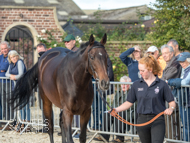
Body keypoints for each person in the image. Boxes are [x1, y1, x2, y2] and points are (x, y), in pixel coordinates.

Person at [111, 55, 176, 143]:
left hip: (157, 120)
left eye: (142, 70)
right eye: (139, 70)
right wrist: (116, 109)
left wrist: (171, 108)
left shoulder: (162, 84)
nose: (140, 73)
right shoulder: (136, 84)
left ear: (150, 69)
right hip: (141, 120)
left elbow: (172, 102)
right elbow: (129, 102)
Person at [94, 76, 133, 142]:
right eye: (122, 84)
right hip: (117, 111)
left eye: (125, 84)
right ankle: (104, 136)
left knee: (120, 113)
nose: (123, 86)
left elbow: (132, 106)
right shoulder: (119, 92)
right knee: (107, 114)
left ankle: (119, 138)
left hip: (128, 112)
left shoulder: (132, 92)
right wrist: (112, 110)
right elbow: (113, 104)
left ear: (129, 84)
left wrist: (118, 109)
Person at [167, 52, 190, 141]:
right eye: (180, 62)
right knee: (185, 124)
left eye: (183, 61)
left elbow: (184, 82)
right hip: (183, 100)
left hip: (187, 101)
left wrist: (170, 81)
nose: (181, 64)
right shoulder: (184, 69)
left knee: (187, 125)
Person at [161, 44, 181, 140]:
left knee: (173, 124)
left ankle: (172, 140)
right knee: (169, 123)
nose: (164, 55)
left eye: (166, 53)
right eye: (162, 54)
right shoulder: (169, 63)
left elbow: (165, 78)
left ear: (172, 53)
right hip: (168, 97)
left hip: (174, 98)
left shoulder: (175, 63)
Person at [5, 50, 27, 131]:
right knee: (19, 105)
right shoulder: (11, 64)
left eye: (14, 56)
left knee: (24, 105)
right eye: (11, 57)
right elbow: (6, 74)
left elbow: (21, 74)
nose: (13, 58)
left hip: (22, 86)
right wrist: (12, 75)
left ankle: (25, 122)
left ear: (17, 56)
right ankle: (21, 121)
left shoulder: (19, 62)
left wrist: (15, 77)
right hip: (15, 86)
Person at [0, 41, 11, 121]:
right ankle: (5, 119)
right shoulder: (1, 57)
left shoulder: (11, 56)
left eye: (5, 48)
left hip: (8, 82)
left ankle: (11, 119)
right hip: (1, 82)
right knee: (3, 101)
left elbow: (9, 68)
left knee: (9, 101)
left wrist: (3, 70)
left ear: (8, 48)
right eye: (2, 49)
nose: (4, 50)